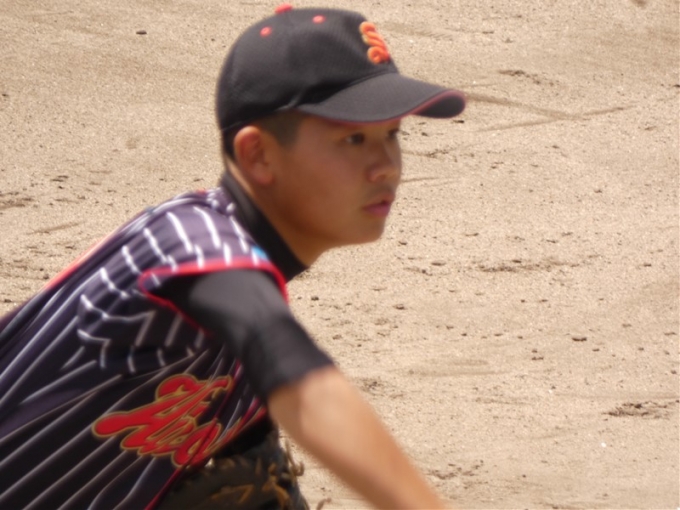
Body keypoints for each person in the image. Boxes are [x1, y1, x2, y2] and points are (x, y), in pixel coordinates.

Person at [0, 5, 465, 509]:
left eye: (392, 134)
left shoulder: (237, 369)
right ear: (258, 155)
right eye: (353, 138)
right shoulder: (189, 241)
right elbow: (297, 377)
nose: (386, 166)